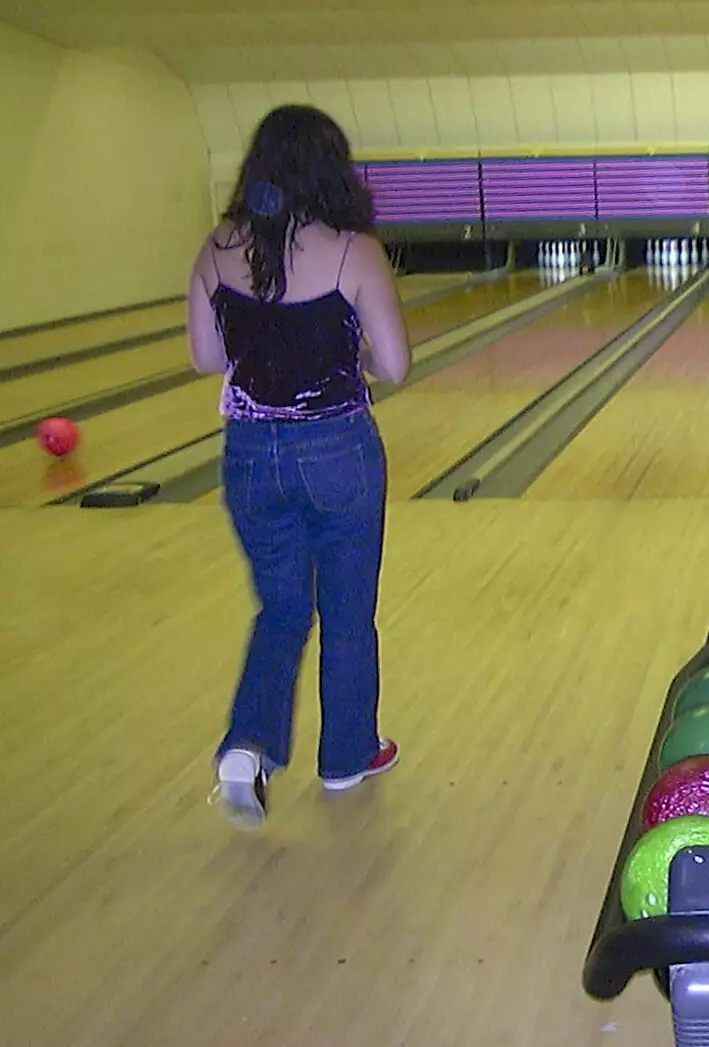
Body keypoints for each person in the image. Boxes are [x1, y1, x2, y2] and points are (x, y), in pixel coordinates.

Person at [186, 104, 412, 830]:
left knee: (280, 609)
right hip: (337, 450)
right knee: (348, 613)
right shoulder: (354, 251)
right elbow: (396, 363)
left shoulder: (216, 249)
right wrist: (357, 356)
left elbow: (207, 358)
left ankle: (245, 748)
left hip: (250, 458)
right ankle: (347, 757)